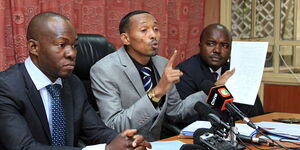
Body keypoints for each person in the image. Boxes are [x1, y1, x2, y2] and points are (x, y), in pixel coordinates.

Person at [0, 12, 151, 150]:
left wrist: (125, 142)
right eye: (61, 45)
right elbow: (24, 147)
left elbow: (97, 131)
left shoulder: (73, 84)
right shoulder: (7, 87)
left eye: (74, 46)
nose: (72, 53)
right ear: (34, 47)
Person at [90, 10, 212, 141]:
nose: (153, 35)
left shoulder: (162, 64)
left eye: (156, 29)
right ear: (126, 38)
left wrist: (212, 91)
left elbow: (175, 111)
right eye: (144, 30)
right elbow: (114, 125)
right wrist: (157, 92)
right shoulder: (104, 70)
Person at [176, 24, 264, 123]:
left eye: (224, 45)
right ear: (200, 46)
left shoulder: (234, 71)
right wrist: (216, 90)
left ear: (230, 49)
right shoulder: (185, 72)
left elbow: (256, 113)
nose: (217, 50)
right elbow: (185, 118)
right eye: (211, 44)